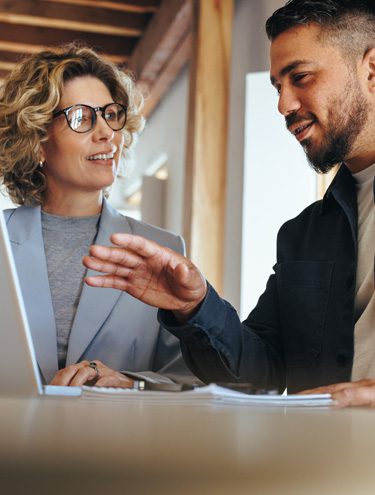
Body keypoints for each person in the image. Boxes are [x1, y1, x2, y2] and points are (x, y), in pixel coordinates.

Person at [82, 0, 375, 407]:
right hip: (320, 463)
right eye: (277, 86)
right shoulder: (303, 235)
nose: (283, 105)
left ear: (371, 71)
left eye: (301, 77)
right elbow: (260, 376)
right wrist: (194, 307)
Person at [0, 42, 194, 388]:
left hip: (116, 441)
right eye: (81, 118)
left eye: (111, 114)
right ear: (37, 140)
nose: (106, 132)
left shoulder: (162, 248)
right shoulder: (3, 237)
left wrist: (131, 383)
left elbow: (188, 377)